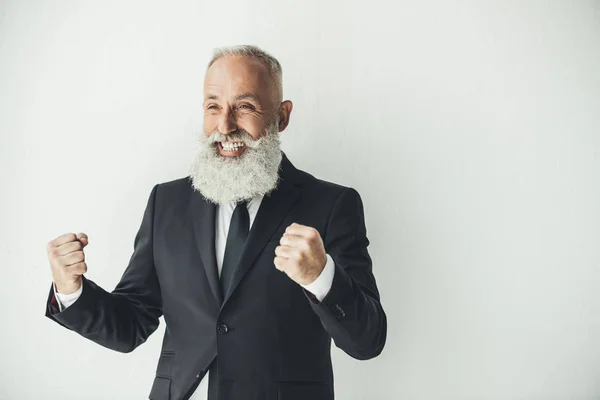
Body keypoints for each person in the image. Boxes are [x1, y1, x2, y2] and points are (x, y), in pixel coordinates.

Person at [45, 45, 387, 400]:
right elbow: (131, 324)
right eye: (213, 106)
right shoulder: (167, 202)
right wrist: (71, 291)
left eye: (245, 106)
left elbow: (368, 341)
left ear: (282, 117)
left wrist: (322, 277)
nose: (225, 126)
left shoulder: (331, 205)